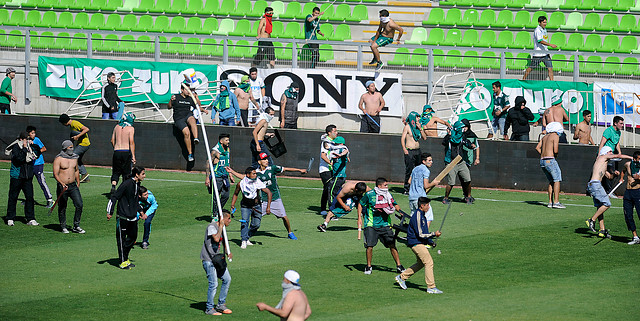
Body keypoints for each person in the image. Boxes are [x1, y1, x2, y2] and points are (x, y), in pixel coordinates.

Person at [394, 197, 443, 294]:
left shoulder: (422, 215)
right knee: (429, 262)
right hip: (416, 243)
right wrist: (434, 234)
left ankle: (402, 277)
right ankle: (431, 287)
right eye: (427, 205)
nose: (428, 207)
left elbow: (424, 232)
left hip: (418, 242)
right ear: (422, 206)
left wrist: (430, 242)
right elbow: (420, 234)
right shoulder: (417, 216)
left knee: (421, 263)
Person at [357, 177, 405, 275]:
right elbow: (360, 204)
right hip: (371, 224)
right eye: (385, 185)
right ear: (379, 186)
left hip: (385, 224)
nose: (387, 187)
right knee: (369, 246)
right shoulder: (369, 195)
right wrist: (359, 218)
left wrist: (400, 211)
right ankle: (368, 266)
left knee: (392, 245)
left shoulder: (388, 195)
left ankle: (399, 266)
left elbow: (394, 204)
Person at [254, 152, 307, 240]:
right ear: (259, 162)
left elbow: (286, 169)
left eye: (267, 159)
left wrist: (299, 170)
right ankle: (248, 234)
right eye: (264, 159)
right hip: (263, 200)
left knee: (284, 217)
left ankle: (290, 233)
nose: (266, 161)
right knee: (255, 218)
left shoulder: (272, 168)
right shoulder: (255, 173)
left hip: (275, 198)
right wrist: (232, 172)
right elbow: (245, 178)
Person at [585, 147, 632, 239]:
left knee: (600, 207)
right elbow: (618, 155)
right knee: (607, 204)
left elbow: (609, 176)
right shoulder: (602, 157)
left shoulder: (602, 163)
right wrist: (631, 158)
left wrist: (615, 174)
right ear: (605, 152)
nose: (611, 153)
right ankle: (591, 220)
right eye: (610, 151)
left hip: (593, 185)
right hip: (595, 185)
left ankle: (602, 230)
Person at [107, 166, 146, 269]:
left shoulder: (137, 185)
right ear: (137, 175)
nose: (144, 176)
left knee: (133, 237)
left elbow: (134, 200)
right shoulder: (126, 184)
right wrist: (109, 212)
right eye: (143, 174)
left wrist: (141, 211)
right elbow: (114, 197)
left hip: (133, 217)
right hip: (123, 216)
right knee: (121, 240)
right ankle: (122, 261)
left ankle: (125, 257)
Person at [229, 167, 272, 249]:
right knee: (245, 222)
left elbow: (269, 193)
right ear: (248, 175)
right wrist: (232, 204)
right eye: (254, 173)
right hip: (245, 206)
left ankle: (247, 237)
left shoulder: (258, 182)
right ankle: (244, 240)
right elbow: (235, 194)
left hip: (257, 206)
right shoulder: (241, 184)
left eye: (255, 173)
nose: (256, 175)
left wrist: (268, 207)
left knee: (256, 225)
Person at [5, 131, 41, 227]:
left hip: (27, 177)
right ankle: (10, 218)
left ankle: (31, 218)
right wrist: (25, 148)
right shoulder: (16, 147)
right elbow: (20, 158)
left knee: (29, 198)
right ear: (21, 139)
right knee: (13, 197)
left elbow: (38, 153)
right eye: (27, 139)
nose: (28, 141)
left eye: (29, 139)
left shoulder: (30, 147)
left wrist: (33, 146)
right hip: (17, 176)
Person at [201, 210, 233, 315]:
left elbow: (223, 241)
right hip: (209, 260)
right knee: (213, 283)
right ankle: (209, 308)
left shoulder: (222, 228)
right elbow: (216, 238)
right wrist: (220, 227)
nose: (230, 221)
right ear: (222, 218)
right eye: (228, 218)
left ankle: (221, 305)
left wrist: (228, 252)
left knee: (227, 279)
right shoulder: (212, 227)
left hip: (218, 260)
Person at [442, 119, 479, 205]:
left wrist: (471, 145)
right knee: (451, 182)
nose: (463, 129)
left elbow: (467, 143)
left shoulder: (462, 136)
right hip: (451, 162)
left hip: (461, 161)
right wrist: (449, 135)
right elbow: (444, 143)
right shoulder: (449, 137)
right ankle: (445, 198)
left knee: (467, 179)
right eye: (461, 127)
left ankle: (468, 197)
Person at [168, 82, 207, 162]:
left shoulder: (190, 98)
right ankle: (190, 153)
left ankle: (196, 138)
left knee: (192, 119)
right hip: (179, 118)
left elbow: (198, 106)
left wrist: (197, 98)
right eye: (186, 89)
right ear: (182, 90)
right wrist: (171, 101)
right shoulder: (176, 97)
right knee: (186, 133)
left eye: (189, 89)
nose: (188, 91)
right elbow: (169, 107)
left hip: (187, 115)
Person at [52, 140, 84, 234]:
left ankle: (76, 225)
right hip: (63, 186)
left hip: (73, 185)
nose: (72, 149)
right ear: (65, 148)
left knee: (79, 204)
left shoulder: (75, 158)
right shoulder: (59, 159)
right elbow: (55, 173)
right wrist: (61, 183)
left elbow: (76, 170)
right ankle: (63, 226)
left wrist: (78, 181)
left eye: (72, 147)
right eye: (70, 147)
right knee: (62, 206)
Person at [535, 122, 565, 209]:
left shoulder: (545, 137)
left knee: (551, 181)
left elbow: (537, 147)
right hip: (550, 160)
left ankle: (550, 202)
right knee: (557, 180)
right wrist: (554, 156)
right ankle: (556, 202)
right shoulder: (555, 136)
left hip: (542, 161)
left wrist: (543, 155)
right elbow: (555, 150)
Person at [206, 133, 234, 219]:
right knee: (216, 196)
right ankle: (214, 214)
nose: (228, 142)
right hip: (217, 176)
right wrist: (207, 177)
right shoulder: (215, 151)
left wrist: (230, 175)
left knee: (226, 195)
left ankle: (219, 210)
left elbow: (227, 163)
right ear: (221, 141)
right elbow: (208, 163)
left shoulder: (227, 150)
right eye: (226, 140)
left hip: (224, 176)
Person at [59, 114, 91, 182]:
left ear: (64, 122)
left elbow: (86, 129)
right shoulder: (71, 126)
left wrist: (78, 136)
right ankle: (85, 175)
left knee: (72, 157)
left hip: (84, 144)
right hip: (81, 144)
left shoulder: (74, 123)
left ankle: (71, 174)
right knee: (77, 159)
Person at [523, 15, 557, 81]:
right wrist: (550, 45)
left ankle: (552, 82)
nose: (545, 24)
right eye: (543, 22)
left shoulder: (544, 29)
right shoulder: (537, 30)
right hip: (538, 53)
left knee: (550, 68)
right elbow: (540, 41)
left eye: (546, 22)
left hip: (545, 53)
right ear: (539, 22)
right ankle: (523, 79)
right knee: (531, 68)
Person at [26, 126, 53, 208]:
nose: (33, 135)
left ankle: (50, 200)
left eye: (34, 133)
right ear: (28, 133)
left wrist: (36, 153)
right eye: (32, 133)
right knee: (27, 183)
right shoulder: (26, 141)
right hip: (30, 164)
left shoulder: (36, 140)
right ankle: (29, 200)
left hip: (38, 164)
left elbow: (44, 148)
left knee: (41, 182)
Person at [110, 112, 136, 195]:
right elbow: (131, 142)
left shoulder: (116, 127)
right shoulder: (130, 128)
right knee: (126, 173)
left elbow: (112, 140)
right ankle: (125, 190)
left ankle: (113, 186)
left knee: (116, 171)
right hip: (126, 151)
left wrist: (116, 148)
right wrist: (133, 156)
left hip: (117, 151)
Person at [402, 111, 425, 194]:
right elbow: (403, 138)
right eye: (417, 117)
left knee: (419, 169)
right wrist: (404, 149)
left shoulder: (418, 127)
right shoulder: (407, 127)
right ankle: (406, 188)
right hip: (410, 150)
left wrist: (421, 129)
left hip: (418, 151)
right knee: (409, 170)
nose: (418, 119)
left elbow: (424, 138)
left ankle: (418, 186)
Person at [319, 124, 339, 213]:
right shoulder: (325, 142)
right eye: (334, 131)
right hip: (325, 170)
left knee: (328, 188)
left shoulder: (333, 142)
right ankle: (326, 209)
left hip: (331, 170)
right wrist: (330, 162)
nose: (336, 133)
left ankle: (326, 208)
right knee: (328, 188)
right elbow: (323, 155)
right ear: (329, 133)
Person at [622, 151, 640, 245]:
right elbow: (623, 171)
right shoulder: (628, 164)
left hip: (638, 192)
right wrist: (621, 178)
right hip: (628, 192)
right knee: (628, 215)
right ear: (634, 158)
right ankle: (635, 237)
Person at [138, 185, 158, 250]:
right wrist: (139, 214)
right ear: (139, 196)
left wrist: (146, 214)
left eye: (147, 194)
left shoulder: (150, 197)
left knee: (147, 222)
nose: (147, 196)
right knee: (133, 221)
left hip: (150, 209)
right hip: (139, 209)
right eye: (145, 195)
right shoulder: (135, 198)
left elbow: (154, 205)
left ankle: (145, 241)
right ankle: (131, 239)